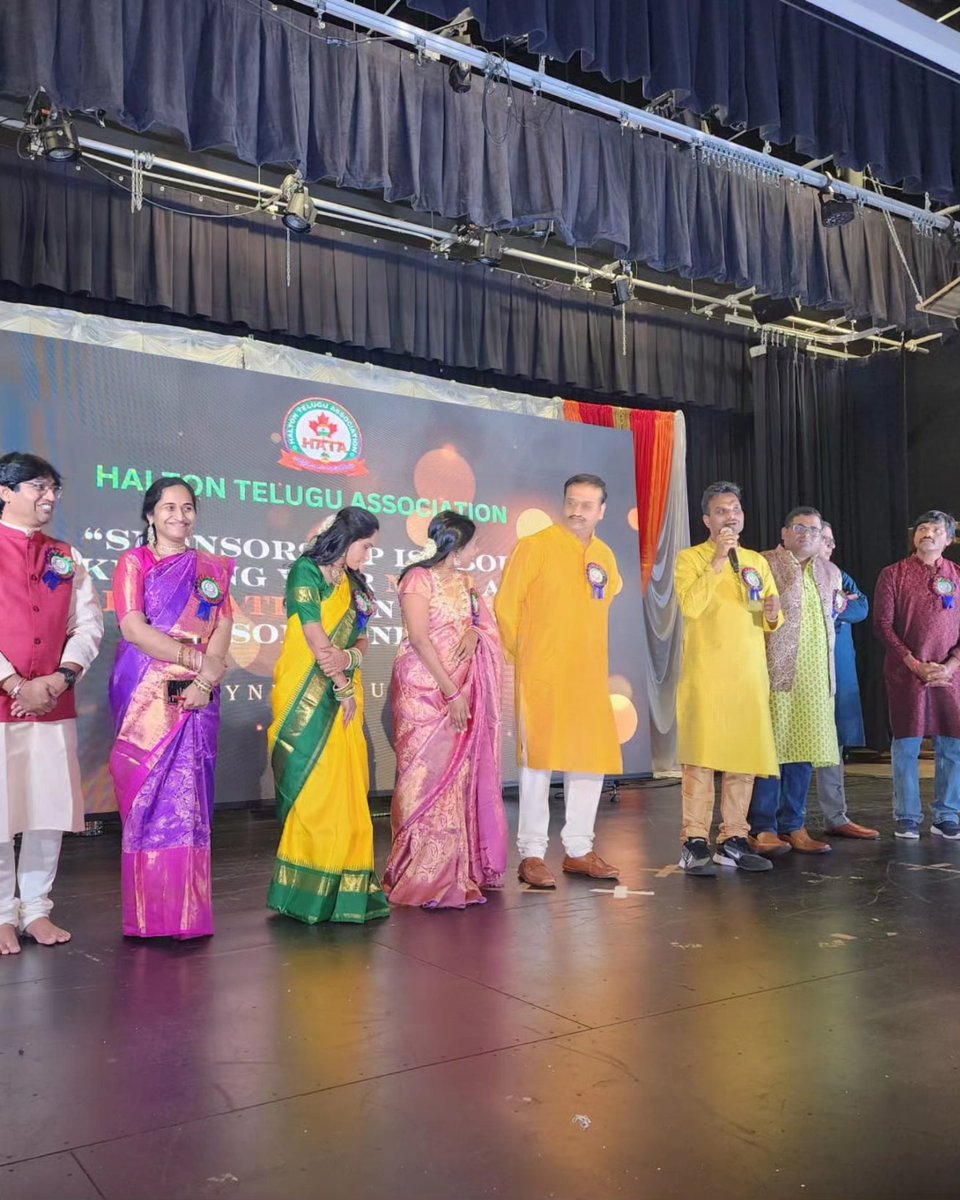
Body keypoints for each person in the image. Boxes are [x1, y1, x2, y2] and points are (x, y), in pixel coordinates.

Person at [109, 477, 233, 939]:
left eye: (187, 508)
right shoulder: (133, 562)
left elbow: (221, 623)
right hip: (146, 684)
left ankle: (187, 914)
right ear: (150, 515)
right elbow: (133, 628)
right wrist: (191, 659)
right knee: (149, 793)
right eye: (168, 508)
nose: (179, 516)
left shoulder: (212, 567)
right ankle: (150, 915)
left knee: (190, 793)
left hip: (198, 685)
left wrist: (205, 675)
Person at [495, 473, 622, 888]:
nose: (576, 510)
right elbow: (505, 606)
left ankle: (579, 849)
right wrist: (525, 657)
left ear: (602, 511)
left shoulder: (604, 554)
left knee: (589, 759)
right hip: (543, 674)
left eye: (587, 505)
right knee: (539, 763)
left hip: (588, 675)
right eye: (571, 501)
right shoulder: (535, 546)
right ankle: (531, 853)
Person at [0, 451, 103, 955]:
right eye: (37, 486)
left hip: (53, 703)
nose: (49, 497)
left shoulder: (68, 554)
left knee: (46, 808)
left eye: (54, 488)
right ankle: (1, 913)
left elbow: (89, 624)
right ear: (4, 490)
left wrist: (61, 678)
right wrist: (15, 683)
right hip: (5, 702)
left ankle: (36, 908)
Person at [267, 507, 389, 923]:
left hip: (345, 690)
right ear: (347, 539)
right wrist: (341, 685)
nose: (369, 556)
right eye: (367, 547)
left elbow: (362, 639)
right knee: (314, 788)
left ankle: (345, 890)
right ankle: (306, 894)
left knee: (346, 787)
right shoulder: (307, 571)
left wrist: (350, 660)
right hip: (306, 690)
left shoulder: (357, 585)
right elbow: (315, 635)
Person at [383, 513, 507, 908]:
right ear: (456, 544)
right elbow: (418, 639)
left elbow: (479, 624)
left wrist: (475, 633)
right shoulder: (417, 578)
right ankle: (420, 874)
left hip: (461, 686)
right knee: (424, 777)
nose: (475, 550)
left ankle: (456, 873)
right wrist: (451, 691)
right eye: (472, 544)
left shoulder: (466, 582)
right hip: (425, 688)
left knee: (458, 777)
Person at [674, 482, 781, 876]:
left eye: (735, 509)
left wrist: (772, 611)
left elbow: (770, 618)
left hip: (748, 673)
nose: (730, 516)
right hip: (706, 673)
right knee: (701, 760)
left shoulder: (757, 560)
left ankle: (734, 838)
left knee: (743, 760)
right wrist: (719, 559)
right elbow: (690, 605)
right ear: (706, 520)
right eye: (721, 511)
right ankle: (695, 840)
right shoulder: (690, 559)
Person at [749, 507, 842, 856]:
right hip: (775, 671)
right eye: (799, 528)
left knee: (803, 751)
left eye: (814, 531)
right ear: (785, 532)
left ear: (822, 538)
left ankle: (794, 825)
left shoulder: (830, 571)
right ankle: (763, 827)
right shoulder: (763, 563)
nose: (806, 535)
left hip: (817, 677)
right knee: (771, 750)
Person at [874, 510, 960, 839]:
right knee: (906, 745)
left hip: (949, 675)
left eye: (936, 530)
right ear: (914, 536)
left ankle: (946, 814)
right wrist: (914, 664)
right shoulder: (893, 574)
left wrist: (950, 665)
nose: (928, 533)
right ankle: (907, 815)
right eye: (922, 528)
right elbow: (882, 625)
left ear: (948, 540)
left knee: (952, 745)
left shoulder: (957, 575)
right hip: (906, 672)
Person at [813, 524, 879, 839]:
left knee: (833, 743)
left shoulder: (840, 575)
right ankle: (785, 822)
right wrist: (836, 604)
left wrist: (836, 606)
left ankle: (836, 816)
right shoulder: (789, 573)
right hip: (803, 670)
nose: (826, 546)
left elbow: (861, 608)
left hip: (837, 668)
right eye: (819, 539)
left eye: (829, 541)